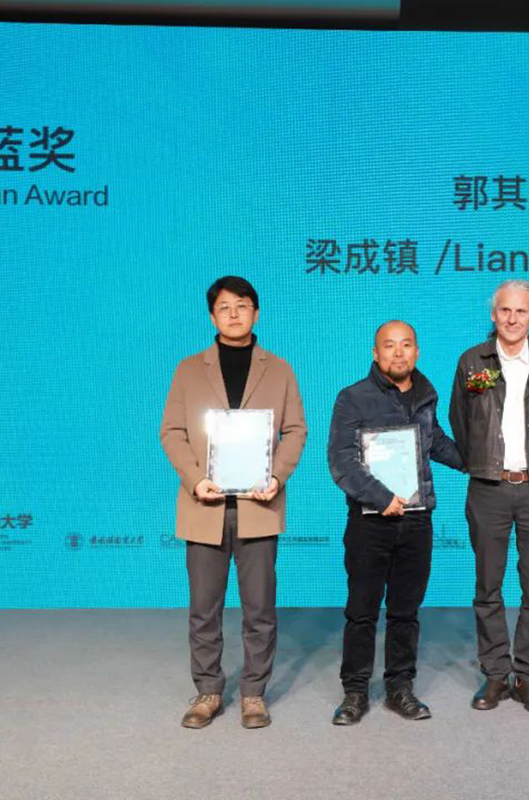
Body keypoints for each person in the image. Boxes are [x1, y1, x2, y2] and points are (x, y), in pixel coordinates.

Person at [160, 276, 307, 730]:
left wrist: (276, 477)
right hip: (203, 506)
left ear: (256, 313)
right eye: (224, 307)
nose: (234, 314)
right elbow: (171, 432)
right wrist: (196, 479)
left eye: (242, 305)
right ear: (212, 316)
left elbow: (295, 431)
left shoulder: (278, 369)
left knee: (259, 608)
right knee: (204, 609)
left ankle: (253, 694)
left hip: (258, 506)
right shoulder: (189, 369)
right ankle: (208, 691)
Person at [448, 280, 529, 714]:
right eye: (505, 310)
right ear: (494, 314)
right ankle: (494, 675)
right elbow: (460, 422)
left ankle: (528, 677)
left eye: (521, 311)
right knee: (488, 587)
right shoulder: (472, 362)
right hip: (488, 489)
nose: (512, 318)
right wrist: (483, 465)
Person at [326, 320, 464, 725]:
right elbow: (341, 460)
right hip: (370, 521)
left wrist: (478, 462)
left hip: (417, 520)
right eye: (389, 346)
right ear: (376, 353)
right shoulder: (352, 398)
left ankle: (400, 688)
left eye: (406, 345)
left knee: (406, 611)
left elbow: (434, 441)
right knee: (362, 610)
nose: (398, 353)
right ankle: (355, 692)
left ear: (417, 352)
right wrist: (380, 497)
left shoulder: (426, 393)